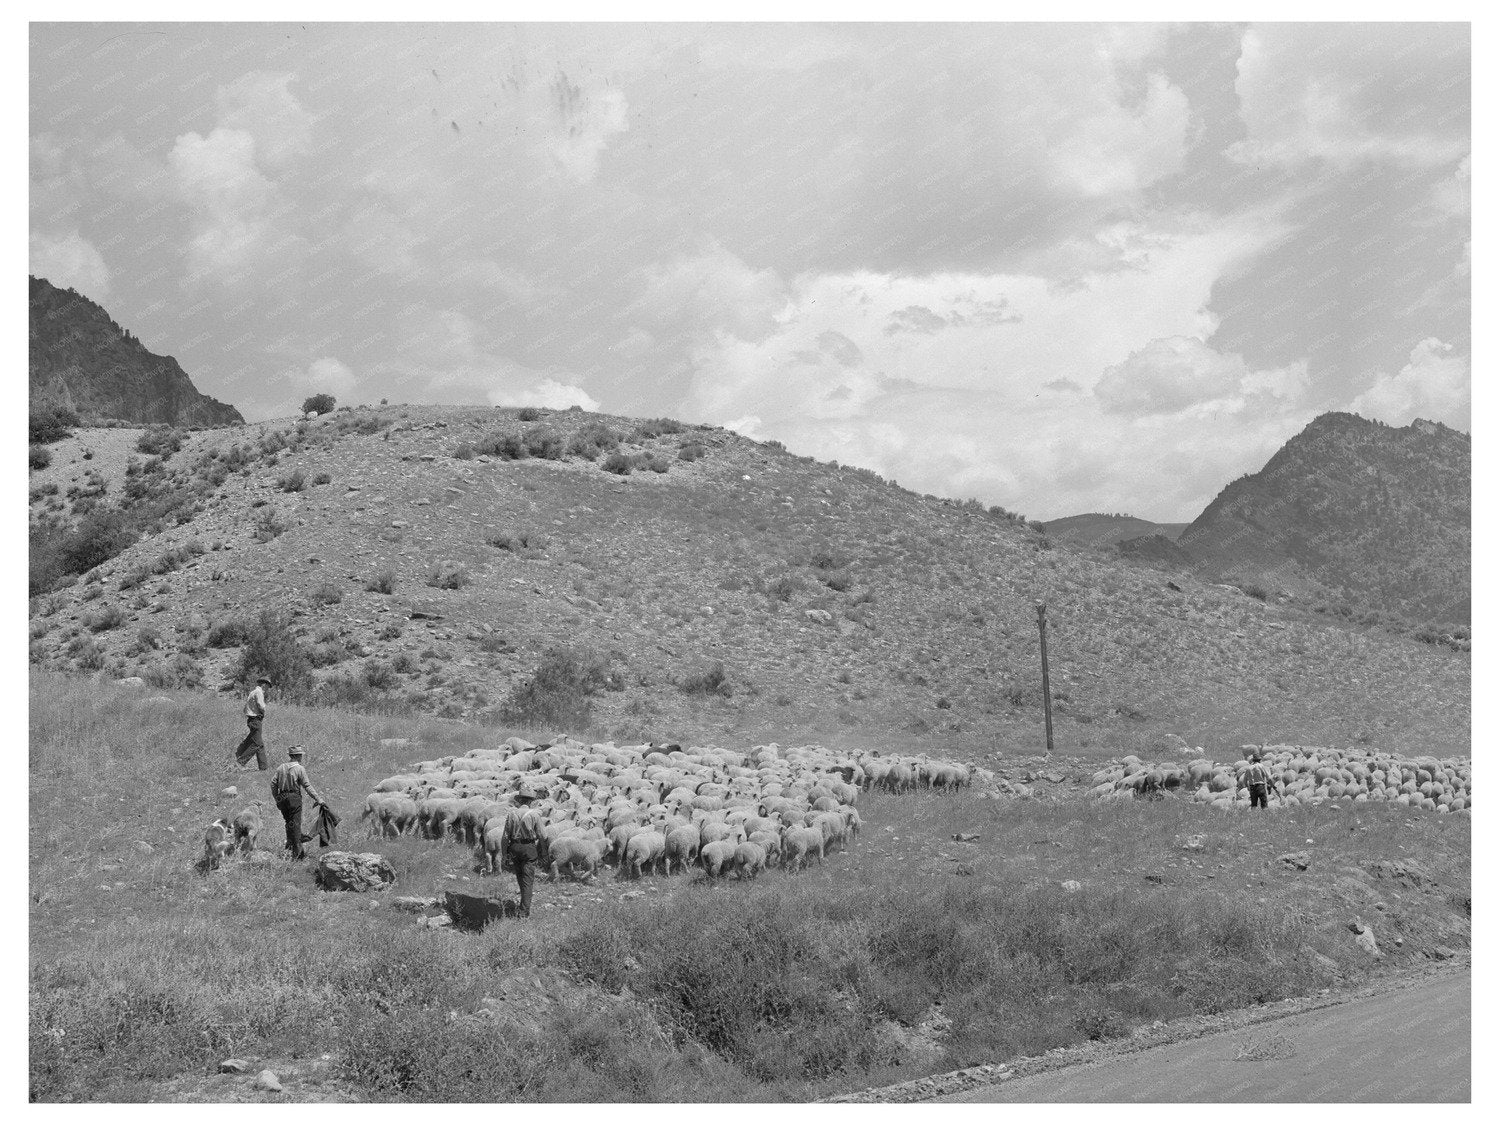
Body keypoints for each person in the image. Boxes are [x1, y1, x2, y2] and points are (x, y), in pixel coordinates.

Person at [499, 782, 546, 918]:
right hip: (528, 848)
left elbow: (505, 837)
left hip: (514, 847)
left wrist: (504, 854)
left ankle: (523, 904)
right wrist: (544, 852)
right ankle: (524, 912)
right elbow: (542, 836)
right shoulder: (534, 815)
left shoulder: (511, 814)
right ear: (531, 801)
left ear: (519, 800)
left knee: (520, 876)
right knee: (528, 879)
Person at [270, 745, 324, 860]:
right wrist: (318, 798)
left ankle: (290, 848)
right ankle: (298, 855)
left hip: (282, 797)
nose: (301, 757)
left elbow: (273, 784)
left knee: (289, 822)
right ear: (298, 756)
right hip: (294, 797)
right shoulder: (300, 769)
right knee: (295, 824)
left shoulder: (281, 767)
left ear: (290, 756)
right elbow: (307, 785)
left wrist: (277, 798)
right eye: (301, 755)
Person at [234, 677, 273, 770]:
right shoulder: (259, 692)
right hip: (256, 720)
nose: (268, 689)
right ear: (264, 684)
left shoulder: (252, 692)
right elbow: (261, 706)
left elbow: (245, 708)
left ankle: (263, 768)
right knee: (257, 744)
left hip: (252, 720)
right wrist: (263, 712)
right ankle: (240, 762)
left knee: (258, 744)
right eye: (268, 686)